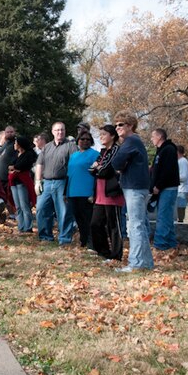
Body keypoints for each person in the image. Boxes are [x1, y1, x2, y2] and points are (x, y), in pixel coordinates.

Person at [111, 111, 153, 272]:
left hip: (134, 188)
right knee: (139, 225)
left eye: (120, 124)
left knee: (135, 226)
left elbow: (116, 162)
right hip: (137, 187)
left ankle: (135, 264)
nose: (117, 128)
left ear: (130, 125)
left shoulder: (131, 141)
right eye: (116, 125)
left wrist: (121, 166)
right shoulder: (135, 142)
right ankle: (146, 263)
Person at [35, 122, 77, 245]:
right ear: (52, 132)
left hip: (63, 182)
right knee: (41, 209)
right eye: (57, 130)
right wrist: (37, 181)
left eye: (62, 130)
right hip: (46, 182)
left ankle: (64, 239)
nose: (60, 132)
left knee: (63, 211)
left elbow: (74, 166)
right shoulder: (47, 147)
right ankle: (45, 237)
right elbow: (39, 164)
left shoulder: (71, 146)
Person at [90, 124, 125, 261]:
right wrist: (98, 169)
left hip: (112, 193)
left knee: (113, 226)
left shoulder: (116, 150)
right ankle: (103, 251)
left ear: (112, 136)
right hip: (99, 193)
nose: (101, 137)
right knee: (95, 223)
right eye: (100, 134)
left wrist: (98, 169)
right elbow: (93, 170)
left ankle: (116, 255)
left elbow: (106, 170)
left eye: (104, 134)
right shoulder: (102, 151)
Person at [149, 128, 179, 255]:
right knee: (166, 216)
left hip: (167, 188)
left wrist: (158, 186)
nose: (151, 139)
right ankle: (171, 243)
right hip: (163, 188)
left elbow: (167, 170)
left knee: (163, 216)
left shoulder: (168, 150)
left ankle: (160, 244)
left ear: (160, 136)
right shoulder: (161, 150)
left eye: (153, 136)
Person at [67, 131, 99, 248]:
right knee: (78, 219)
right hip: (72, 192)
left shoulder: (95, 154)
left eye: (87, 139)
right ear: (78, 141)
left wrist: (94, 192)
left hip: (87, 192)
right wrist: (66, 193)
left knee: (88, 219)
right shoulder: (73, 156)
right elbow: (69, 174)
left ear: (91, 142)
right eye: (82, 139)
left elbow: (97, 175)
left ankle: (92, 243)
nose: (85, 141)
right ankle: (83, 240)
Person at [9, 135, 37, 234]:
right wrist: (14, 168)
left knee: (24, 205)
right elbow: (11, 166)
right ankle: (21, 226)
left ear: (20, 144)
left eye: (16, 143)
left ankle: (28, 227)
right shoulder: (17, 154)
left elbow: (20, 166)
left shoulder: (28, 154)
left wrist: (15, 168)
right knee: (18, 206)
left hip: (22, 182)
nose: (14, 145)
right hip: (14, 182)